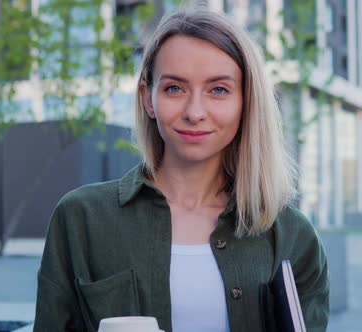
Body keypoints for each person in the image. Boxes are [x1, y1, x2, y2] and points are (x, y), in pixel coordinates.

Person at [34, 9, 329, 332]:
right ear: (148, 98)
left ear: (246, 101)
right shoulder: (81, 218)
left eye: (218, 90)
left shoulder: (291, 235)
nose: (194, 112)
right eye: (175, 88)